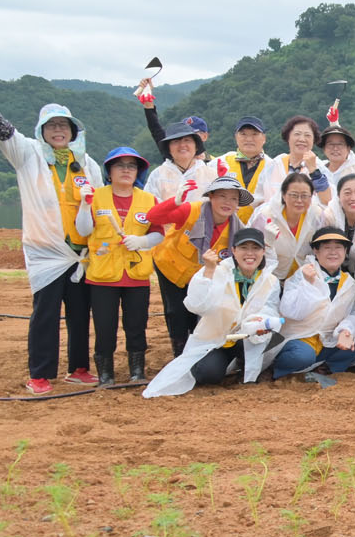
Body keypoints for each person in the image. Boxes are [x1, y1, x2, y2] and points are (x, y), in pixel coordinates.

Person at [0, 71, 103, 392]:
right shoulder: (28, 155)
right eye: (52, 126)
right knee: (45, 314)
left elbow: (100, 205)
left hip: (81, 253)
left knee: (80, 314)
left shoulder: (87, 163)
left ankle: (79, 368)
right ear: (41, 131)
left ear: (73, 131)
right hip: (46, 252)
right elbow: (2, 128)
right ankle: (40, 374)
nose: (58, 130)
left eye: (64, 125)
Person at [142, 227, 284, 397]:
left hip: (249, 339)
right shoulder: (218, 272)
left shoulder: (270, 280)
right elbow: (196, 305)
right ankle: (225, 363)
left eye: (255, 248)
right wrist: (208, 271)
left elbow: (270, 309)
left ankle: (243, 364)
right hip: (217, 340)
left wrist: (259, 321)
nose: (250, 253)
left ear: (263, 252)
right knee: (207, 374)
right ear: (233, 251)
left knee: (272, 340)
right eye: (243, 248)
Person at [146, 173, 257, 357]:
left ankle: (195, 352)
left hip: (202, 275)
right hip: (170, 266)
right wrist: (175, 202)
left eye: (233, 199)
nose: (227, 202)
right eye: (222, 196)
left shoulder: (237, 230)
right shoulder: (191, 210)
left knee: (199, 311)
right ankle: (179, 353)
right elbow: (153, 217)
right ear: (211, 196)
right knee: (176, 311)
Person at [77, 147, 160, 385]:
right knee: (105, 327)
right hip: (103, 275)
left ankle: (137, 371)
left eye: (131, 166)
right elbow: (83, 230)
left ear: (138, 172)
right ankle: (105, 373)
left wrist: (142, 241)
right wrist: (84, 205)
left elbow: (158, 233)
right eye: (120, 165)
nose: (126, 170)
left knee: (136, 325)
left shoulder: (148, 200)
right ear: (109, 171)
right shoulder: (96, 196)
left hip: (136, 274)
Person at [273, 227, 355, 379]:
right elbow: (290, 311)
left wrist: (346, 331)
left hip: (327, 340)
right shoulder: (302, 275)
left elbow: (353, 313)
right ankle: (283, 370)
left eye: (338, 247)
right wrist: (308, 284)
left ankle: (324, 369)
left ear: (345, 251)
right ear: (316, 251)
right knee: (302, 356)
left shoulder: (348, 282)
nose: (333, 252)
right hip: (301, 338)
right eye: (327, 247)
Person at [260, 171, 330, 279]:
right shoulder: (267, 215)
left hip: (304, 278)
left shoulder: (316, 215)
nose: (299, 200)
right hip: (272, 278)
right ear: (283, 195)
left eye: (304, 196)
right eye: (294, 195)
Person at [259, 116, 333, 207]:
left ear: (314, 140)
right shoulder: (274, 165)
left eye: (307, 135)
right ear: (288, 137)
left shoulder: (320, 167)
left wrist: (314, 171)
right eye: (297, 134)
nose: (302, 139)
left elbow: (328, 201)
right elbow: (259, 199)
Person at [144, 117, 215, 205]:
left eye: (187, 140)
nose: (182, 145)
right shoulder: (158, 175)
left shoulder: (211, 174)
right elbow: (148, 206)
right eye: (176, 141)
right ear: (168, 148)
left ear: (196, 146)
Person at [221, 116, 270, 218]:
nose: (249, 139)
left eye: (254, 134)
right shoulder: (221, 162)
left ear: (264, 138)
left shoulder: (273, 166)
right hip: (225, 225)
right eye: (243, 134)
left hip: (260, 225)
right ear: (236, 137)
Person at [319, 122, 355, 191]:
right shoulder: (318, 170)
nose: (335, 148)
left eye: (340, 144)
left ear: (348, 149)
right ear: (324, 148)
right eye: (330, 144)